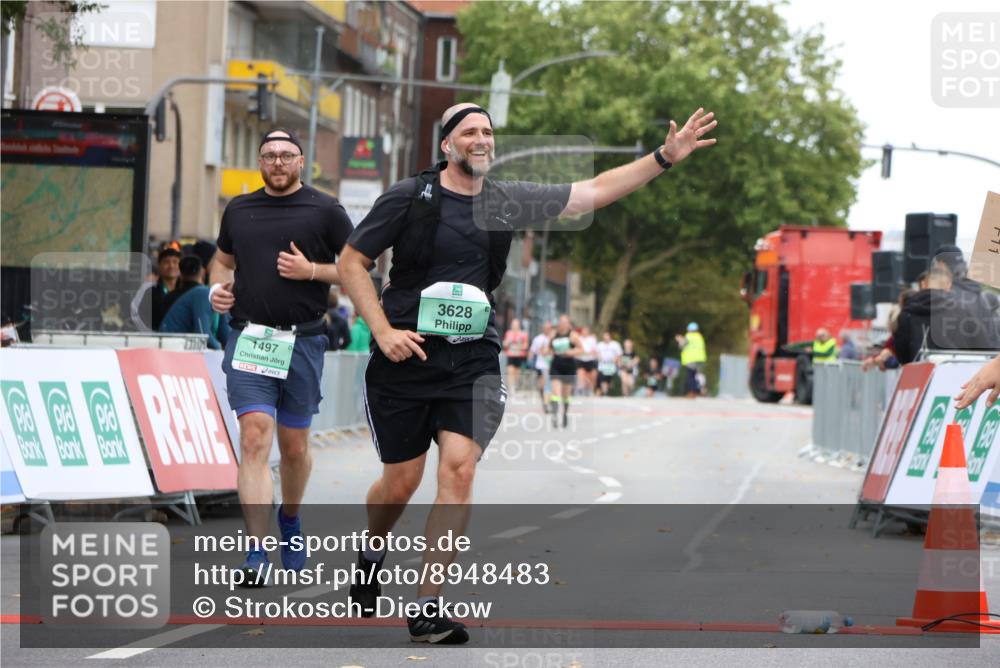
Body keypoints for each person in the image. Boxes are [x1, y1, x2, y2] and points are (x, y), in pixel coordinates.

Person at [338, 102, 716, 644]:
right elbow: (353, 261)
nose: (481, 139)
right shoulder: (408, 197)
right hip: (407, 354)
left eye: (488, 131)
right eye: (469, 132)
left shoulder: (503, 199)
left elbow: (591, 193)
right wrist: (381, 330)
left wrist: (664, 158)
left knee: (459, 471)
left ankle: (426, 606)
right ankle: (373, 547)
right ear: (447, 145)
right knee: (400, 483)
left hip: (470, 360)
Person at [208, 128, 354, 579]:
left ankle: (289, 517)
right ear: (259, 161)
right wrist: (216, 288)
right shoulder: (239, 209)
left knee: (294, 449)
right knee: (254, 438)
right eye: (269, 155)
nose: (277, 162)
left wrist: (311, 270)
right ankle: (255, 550)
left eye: (286, 155)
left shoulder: (326, 210)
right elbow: (221, 261)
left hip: (304, 342)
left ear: (300, 160)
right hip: (250, 337)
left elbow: (357, 270)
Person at [160, 255, 232, 350]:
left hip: (185, 348)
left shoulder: (220, 298)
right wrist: (221, 350)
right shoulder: (202, 293)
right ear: (202, 271)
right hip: (170, 348)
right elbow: (203, 333)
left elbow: (225, 333)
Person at [134, 242, 181, 331]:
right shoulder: (149, 289)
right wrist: (151, 334)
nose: (171, 266)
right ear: (159, 265)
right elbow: (137, 313)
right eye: (166, 262)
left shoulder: (185, 291)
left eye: (175, 262)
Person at [548, 315, 583, 426]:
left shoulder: (573, 336)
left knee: (566, 394)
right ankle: (554, 414)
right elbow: (549, 348)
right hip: (556, 365)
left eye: (565, 322)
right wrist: (548, 352)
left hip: (569, 366)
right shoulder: (553, 334)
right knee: (555, 391)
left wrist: (571, 352)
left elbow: (581, 349)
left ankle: (565, 414)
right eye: (561, 322)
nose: (562, 324)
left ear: (568, 324)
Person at [675, 322, 707, 398]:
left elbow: (681, 345)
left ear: (689, 329)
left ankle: (693, 392)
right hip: (700, 359)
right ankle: (701, 389)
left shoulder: (688, 336)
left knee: (690, 376)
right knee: (698, 376)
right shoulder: (700, 337)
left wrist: (679, 340)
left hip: (691, 360)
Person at [529, 320, 553, 411]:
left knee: (548, 384)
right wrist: (529, 362)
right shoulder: (538, 339)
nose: (547, 330)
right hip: (541, 365)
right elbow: (532, 351)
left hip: (551, 365)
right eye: (546, 328)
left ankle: (547, 401)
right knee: (542, 385)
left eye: (549, 328)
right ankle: (545, 400)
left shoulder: (553, 338)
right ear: (543, 329)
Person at [502, 318, 529, 394]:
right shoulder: (508, 333)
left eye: (516, 325)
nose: (514, 326)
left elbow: (526, 345)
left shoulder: (523, 334)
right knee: (510, 372)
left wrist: (519, 347)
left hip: (519, 356)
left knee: (517, 374)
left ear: (519, 325)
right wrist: (507, 343)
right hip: (511, 355)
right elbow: (505, 344)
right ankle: (511, 388)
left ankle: (515, 385)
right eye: (513, 324)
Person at [595, 331, 623, 396]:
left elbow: (619, 354)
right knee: (602, 379)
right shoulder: (600, 345)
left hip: (612, 365)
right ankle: (605, 392)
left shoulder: (615, 344)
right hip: (602, 366)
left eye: (607, 336)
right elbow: (596, 354)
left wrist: (615, 359)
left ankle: (606, 391)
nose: (606, 338)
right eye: (604, 336)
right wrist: (599, 357)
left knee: (606, 380)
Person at [575, 325, 599, 395]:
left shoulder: (592, 339)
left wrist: (586, 353)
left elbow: (594, 351)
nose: (585, 332)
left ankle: (590, 390)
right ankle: (580, 390)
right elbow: (578, 351)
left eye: (586, 331)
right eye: (583, 331)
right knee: (581, 374)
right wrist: (586, 353)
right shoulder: (578, 339)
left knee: (592, 377)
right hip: (581, 360)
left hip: (591, 360)